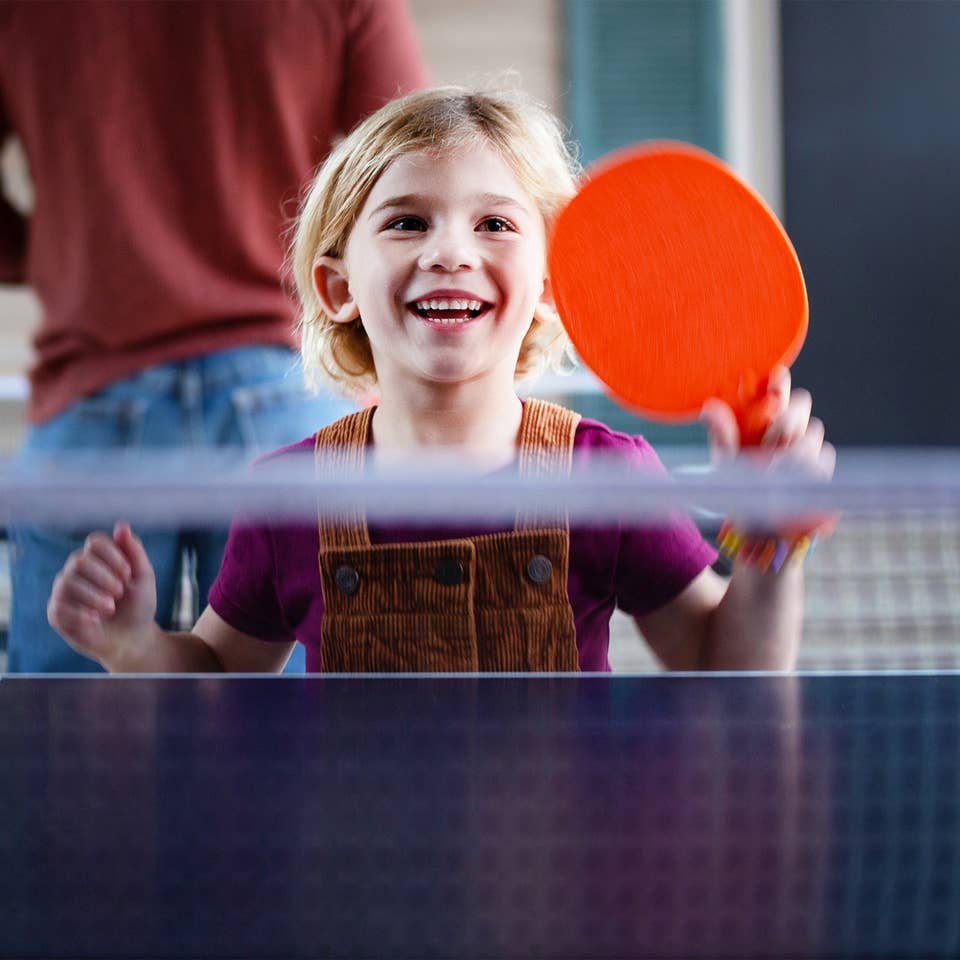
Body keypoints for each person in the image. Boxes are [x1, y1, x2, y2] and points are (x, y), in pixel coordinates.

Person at [46, 85, 836, 674]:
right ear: (337, 288)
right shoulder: (288, 497)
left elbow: (722, 665)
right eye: (406, 221)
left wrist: (766, 544)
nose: (451, 250)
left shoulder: (608, 476)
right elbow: (218, 674)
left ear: (554, 284)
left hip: (554, 883)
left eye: (494, 223)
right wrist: (137, 646)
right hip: (355, 882)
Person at [0, 0, 429, 672]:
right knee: (289, 753)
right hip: (294, 397)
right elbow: (416, 162)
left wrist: (49, 252)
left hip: (94, 403)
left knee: (66, 751)